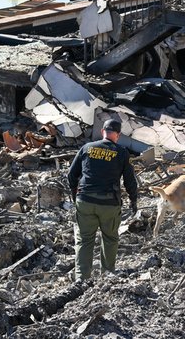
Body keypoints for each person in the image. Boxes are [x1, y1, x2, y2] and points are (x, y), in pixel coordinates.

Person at [67, 119, 138, 280]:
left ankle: (82, 279)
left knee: (85, 240)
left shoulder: (87, 148)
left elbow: (71, 175)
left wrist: (75, 196)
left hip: (85, 201)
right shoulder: (121, 152)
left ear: (102, 132)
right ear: (118, 135)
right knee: (110, 238)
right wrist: (133, 200)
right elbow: (130, 181)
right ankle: (107, 275)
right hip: (109, 204)